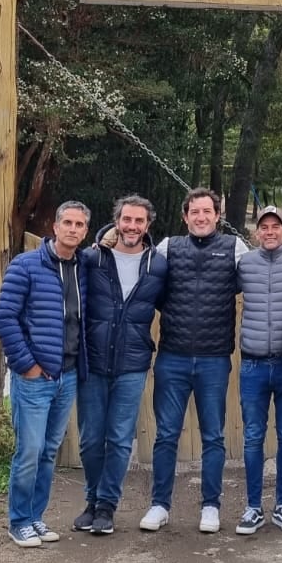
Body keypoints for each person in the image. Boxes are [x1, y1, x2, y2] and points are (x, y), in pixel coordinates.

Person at [139, 187, 248, 534]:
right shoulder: (168, 247)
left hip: (215, 360)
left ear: (218, 215)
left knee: (214, 437)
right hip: (172, 357)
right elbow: (142, 277)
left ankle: (211, 507)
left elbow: (266, 274)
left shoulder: (235, 248)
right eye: (194, 212)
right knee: (166, 435)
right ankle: (159, 505)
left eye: (207, 211)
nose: (201, 217)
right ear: (185, 217)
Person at [0, 200, 90, 547]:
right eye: (68, 222)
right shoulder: (27, 265)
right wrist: (27, 366)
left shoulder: (84, 268)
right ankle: (18, 520)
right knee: (30, 450)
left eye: (80, 225)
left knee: (48, 450)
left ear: (86, 231)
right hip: (35, 378)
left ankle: (36, 517)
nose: (73, 229)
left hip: (67, 376)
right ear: (55, 225)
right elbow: (3, 318)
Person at [74, 195, 167, 535]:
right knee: (89, 438)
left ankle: (107, 507)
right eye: (126, 219)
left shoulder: (158, 264)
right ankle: (91, 500)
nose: (132, 226)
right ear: (116, 221)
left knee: (119, 439)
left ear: (148, 225)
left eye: (139, 221)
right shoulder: (92, 258)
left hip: (132, 362)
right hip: (93, 361)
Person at [234, 205, 282, 536]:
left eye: (276, 226)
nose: (270, 231)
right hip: (252, 364)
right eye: (264, 227)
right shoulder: (245, 263)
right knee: (253, 436)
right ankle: (252, 507)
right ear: (256, 233)